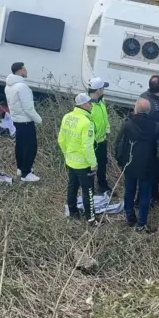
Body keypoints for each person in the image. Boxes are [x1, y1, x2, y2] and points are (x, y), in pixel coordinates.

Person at [115, 98, 159, 233]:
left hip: (130, 165)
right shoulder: (156, 127)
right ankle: (142, 223)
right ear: (148, 111)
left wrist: (121, 162)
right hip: (148, 167)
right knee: (145, 195)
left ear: (135, 109)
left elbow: (119, 144)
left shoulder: (127, 124)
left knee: (129, 191)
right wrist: (156, 163)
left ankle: (130, 217)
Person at [58, 93, 99, 225]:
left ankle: (73, 212)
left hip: (71, 161)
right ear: (84, 105)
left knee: (72, 187)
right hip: (84, 164)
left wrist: (67, 154)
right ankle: (91, 219)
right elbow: (87, 147)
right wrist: (94, 164)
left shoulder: (67, 117)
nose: (92, 105)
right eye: (90, 103)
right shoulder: (87, 122)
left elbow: (61, 139)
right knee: (89, 192)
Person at [5, 62, 42, 182]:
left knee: (20, 144)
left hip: (16, 119)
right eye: (24, 69)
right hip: (26, 121)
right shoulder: (22, 87)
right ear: (20, 71)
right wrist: (39, 120)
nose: (26, 71)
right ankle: (26, 173)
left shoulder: (8, 86)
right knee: (31, 146)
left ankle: (20, 168)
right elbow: (28, 108)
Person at [140, 75, 159, 204]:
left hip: (142, 142)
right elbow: (158, 132)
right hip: (153, 146)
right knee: (155, 171)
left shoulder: (143, 96)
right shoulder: (156, 109)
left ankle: (149, 194)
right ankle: (150, 196)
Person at [88, 77, 112, 194]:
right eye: (103, 88)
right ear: (98, 90)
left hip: (102, 141)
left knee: (103, 164)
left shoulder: (102, 101)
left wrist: (107, 130)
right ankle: (90, 188)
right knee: (91, 167)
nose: (104, 90)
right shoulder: (88, 106)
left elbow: (105, 118)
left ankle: (102, 185)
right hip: (93, 143)